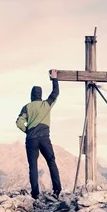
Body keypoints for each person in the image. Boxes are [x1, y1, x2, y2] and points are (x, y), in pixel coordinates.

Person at [16, 69, 62, 201]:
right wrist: (54, 79)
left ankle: (35, 194)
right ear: (40, 95)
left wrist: (28, 131)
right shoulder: (46, 104)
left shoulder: (27, 107)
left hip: (31, 139)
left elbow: (19, 123)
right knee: (51, 162)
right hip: (44, 138)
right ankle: (57, 190)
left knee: (33, 166)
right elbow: (55, 93)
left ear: (31, 95)